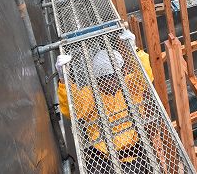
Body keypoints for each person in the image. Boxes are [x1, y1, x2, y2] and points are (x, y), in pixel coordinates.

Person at [55, 30, 156, 171]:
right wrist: (64, 81)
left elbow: (145, 78)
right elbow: (73, 110)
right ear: (96, 79)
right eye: (105, 78)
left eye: (114, 76)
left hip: (135, 156)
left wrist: (135, 50)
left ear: (121, 72)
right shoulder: (90, 94)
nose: (110, 82)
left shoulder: (130, 85)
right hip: (103, 161)